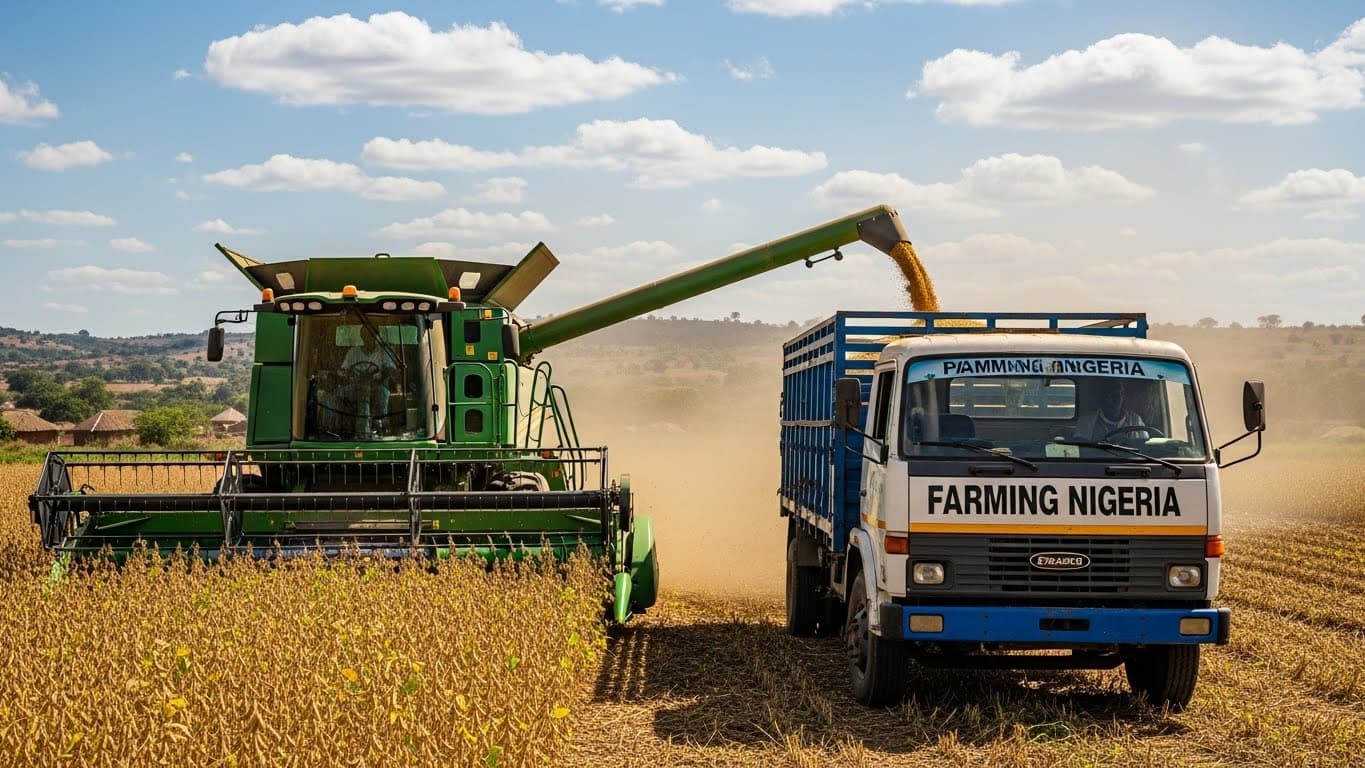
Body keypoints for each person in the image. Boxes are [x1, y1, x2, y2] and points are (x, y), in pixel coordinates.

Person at [338, 328, 398, 435]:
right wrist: (349, 376)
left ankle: (383, 425)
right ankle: (341, 426)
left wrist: (381, 374)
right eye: (366, 335)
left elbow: (392, 369)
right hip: (356, 386)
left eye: (371, 335)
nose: (369, 338)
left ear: (376, 336)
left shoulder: (384, 352)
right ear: (362, 336)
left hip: (377, 385)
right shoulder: (353, 352)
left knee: (385, 394)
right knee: (339, 393)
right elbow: (343, 370)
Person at [1074, 379, 1145, 441]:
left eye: (1117, 395)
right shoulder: (1086, 421)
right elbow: (1081, 447)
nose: (1112, 400)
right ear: (1102, 398)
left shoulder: (1135, 420)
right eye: (1108, 396)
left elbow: (1145, 446)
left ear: (1123, 396)